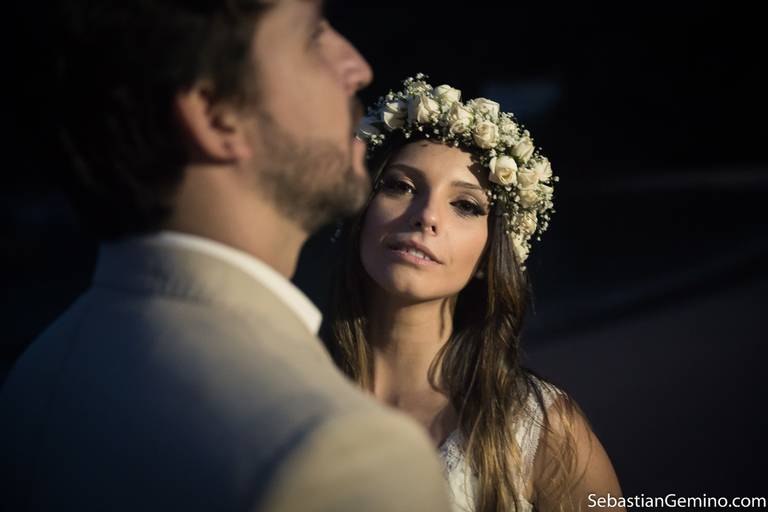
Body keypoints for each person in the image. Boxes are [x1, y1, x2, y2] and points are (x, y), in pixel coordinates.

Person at [0, 4, 450, 511]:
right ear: (216, 114)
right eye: (312, 36)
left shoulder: (36, 373)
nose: (356, 66)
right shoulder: (334, 454)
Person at [325, 74, 624, 511]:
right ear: (361, 211)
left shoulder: (539, 429)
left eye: (465, 205)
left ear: (489, 255)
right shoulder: (280, 393)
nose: (425, 216)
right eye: (400, 186)